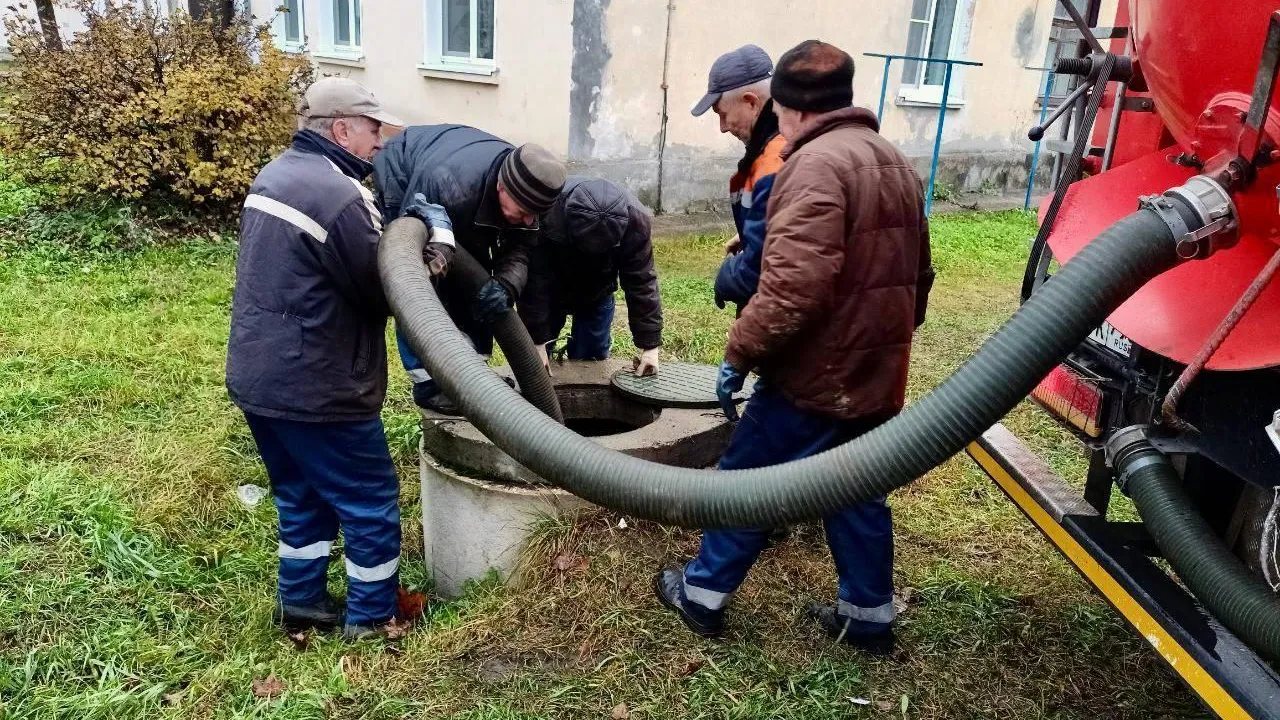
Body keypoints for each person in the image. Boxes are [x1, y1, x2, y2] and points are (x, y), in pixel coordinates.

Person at [654, 40, 936, 654]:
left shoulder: (813, 166)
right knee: (856, 486)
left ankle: (701, 595)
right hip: (875, 370)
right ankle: (868, 617)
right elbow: (921, 275)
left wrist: (738, 355)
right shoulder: (893, 160)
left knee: (749, 477)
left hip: (815, 375)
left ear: (795, 107)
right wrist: (885, 342)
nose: (776, 125)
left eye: (779, 111)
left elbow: (790, 290)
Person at [226, 78, 420, 641]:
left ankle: (302, 601)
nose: (380, 141)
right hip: (320, 385)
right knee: (369, 500)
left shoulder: (275, 175)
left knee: (301, 493)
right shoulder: (339, 197)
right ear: (341, 129)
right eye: (374, 129)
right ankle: (372, 618)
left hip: (260, 375)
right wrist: (432, 246)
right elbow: (384, 290)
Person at [373, 125, 567, 413]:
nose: (529, 221)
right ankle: (430, 385)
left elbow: (520, 250)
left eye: (534, 215)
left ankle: (474, 375)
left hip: (462, 179)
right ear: (502, 187)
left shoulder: (531, 194)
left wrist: (505, 286)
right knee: (420, 279)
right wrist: (439, 250)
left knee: (479, 285)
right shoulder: (449, 184)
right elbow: (413, 259)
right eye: (524, 212)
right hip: (405, 172)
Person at [519, 177, 663, 373]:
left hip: (598, 292)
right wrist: (537, 341)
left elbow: (641, 282)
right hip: (549, 291)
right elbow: (534, 280)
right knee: (535, 366)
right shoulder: (547, 211)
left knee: (591, 362)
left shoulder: (635, 222)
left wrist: (650, 346)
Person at [690, 44, 786, 311]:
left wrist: (727, 277)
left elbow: (764, 269)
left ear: (751, 102)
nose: (722, 127)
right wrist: (751, 231)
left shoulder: (774, 162)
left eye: (722, 114)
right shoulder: (777, 145)